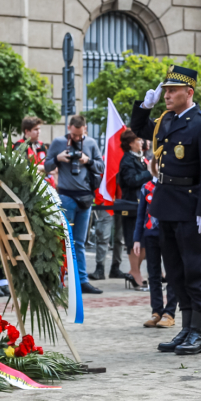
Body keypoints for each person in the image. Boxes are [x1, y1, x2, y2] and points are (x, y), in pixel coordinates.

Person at [129, 65, 201, 355]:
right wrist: (145, 107)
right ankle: (185, 327)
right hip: (167, 204)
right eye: (165, 90)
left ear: (189, 92)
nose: (166, 94)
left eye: (172, 90)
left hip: (192, 206)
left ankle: (198, 331)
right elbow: (139, 129)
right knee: (175, 271)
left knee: (195, 270)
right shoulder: (166, 120)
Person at [44, 115, 105, 296]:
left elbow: (101, 167)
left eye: (80, 135)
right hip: (66, 197)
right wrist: (58, 158)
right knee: (62, 241)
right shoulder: (58, 142)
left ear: (85, 129)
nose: (78, 138)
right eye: (75, 134)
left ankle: (82, 280)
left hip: (85, 198)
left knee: (79, 243)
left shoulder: (91, 143)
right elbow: (46, 166)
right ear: (69, 128)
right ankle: (58, 282)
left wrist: (88, 161)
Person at [133, 159, 177, 328]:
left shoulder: (171, 186)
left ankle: (170, 312)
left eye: (162, 164)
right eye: (157, 164)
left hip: (169, 235)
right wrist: (137, 239)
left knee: (172, 273)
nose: (160, 167)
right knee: (153, 274)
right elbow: (140, 216)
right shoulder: (146, 188)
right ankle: (156, 311)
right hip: (150, 235)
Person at [117, 129, 152, 288]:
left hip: (143, 205)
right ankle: (134, 271)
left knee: (144, 241)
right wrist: (149, 173)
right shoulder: (127, 160)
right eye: (138, 140)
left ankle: (134, 271)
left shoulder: (141, 158)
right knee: (133, 240)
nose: (142, 142)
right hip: (132, 205)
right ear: (130, 143)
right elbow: (131, 180)